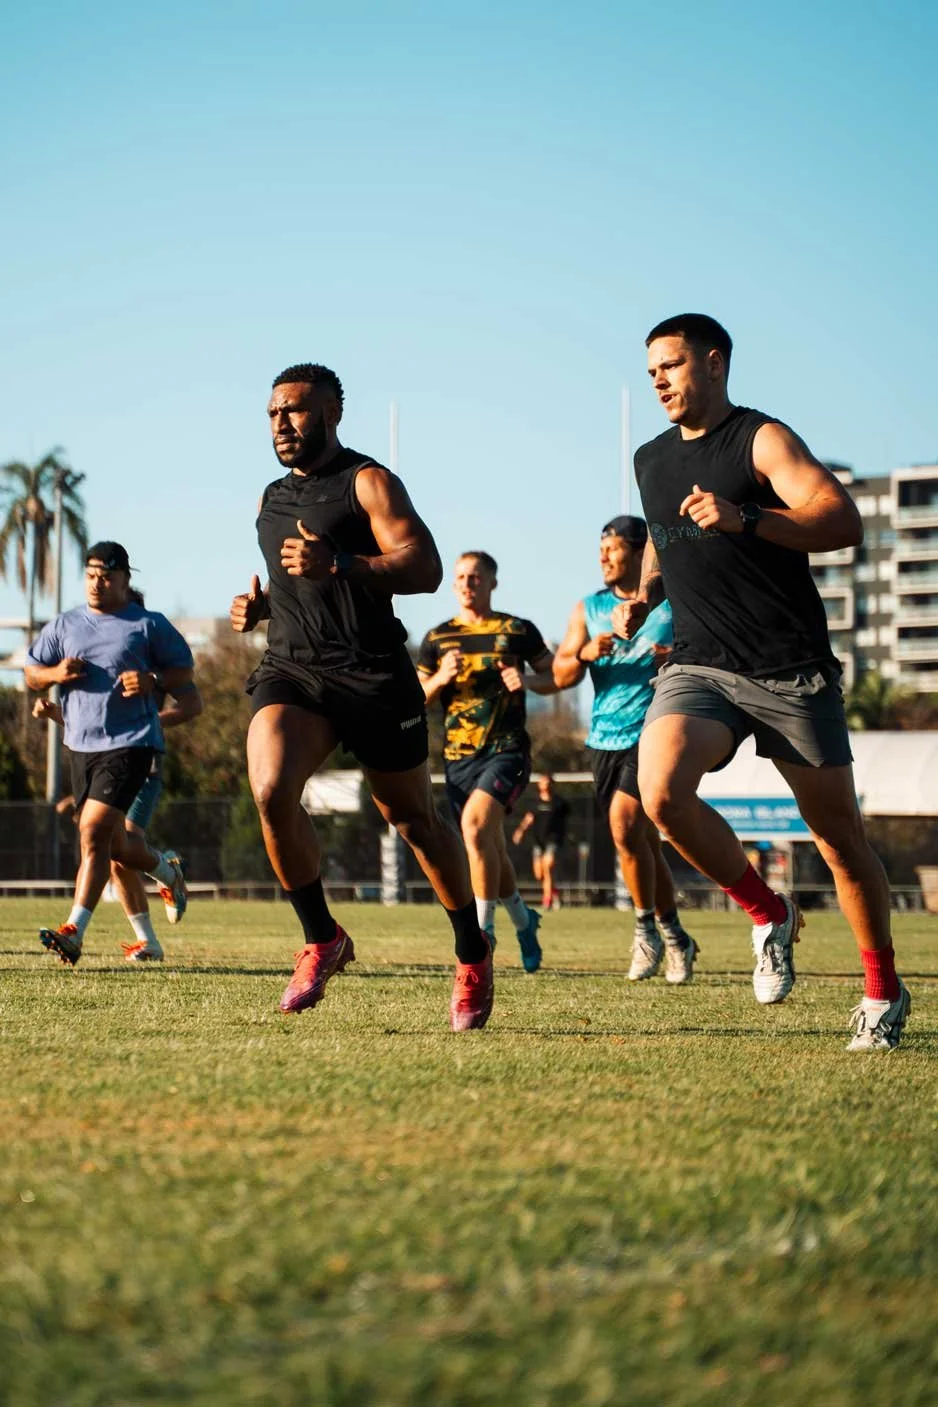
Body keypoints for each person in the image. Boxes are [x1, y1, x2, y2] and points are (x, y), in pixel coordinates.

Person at [615, 312, 908, 1050]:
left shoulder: (762, 438)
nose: (658, 380)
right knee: (660, 792)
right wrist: (647, 594)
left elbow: (841, 520)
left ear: (715, 364)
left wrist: (747, 518)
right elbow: (660, 535)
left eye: (672, 365)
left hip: (789, 666)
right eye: (651, 369)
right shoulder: (650, 458)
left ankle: (882, 992)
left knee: (838, 839)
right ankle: (766, 909)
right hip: (699, 661)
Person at [230, 363, 492, 1031]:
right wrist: (263, 607)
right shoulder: (269, 497)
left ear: (330, 414)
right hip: (294, 671)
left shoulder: (368, 481)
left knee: (413, 822)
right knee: (269, 790)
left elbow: (425, 566)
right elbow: (295, 581)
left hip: (374, 674)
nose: (280, 424)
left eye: (293, 411)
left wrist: (341, 563)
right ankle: (322, 938)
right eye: (271, 414)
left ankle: (471, 950)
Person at [24, 543, 192, 965]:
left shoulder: (147, 624)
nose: (97, 583)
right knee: (115, 847)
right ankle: (165, 870)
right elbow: (31, 673)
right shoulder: (65, 625)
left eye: (106, 576)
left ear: (124, 580)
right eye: (91, 575)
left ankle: (74, 930)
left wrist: (152, 679)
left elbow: (183, 672)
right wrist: (53, 675)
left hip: (133, 743)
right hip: (81, 746)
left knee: (93, 832)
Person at [553, 515, 698, 982]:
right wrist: (583, 654)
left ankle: (644, 934)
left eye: (612, 549)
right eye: (600, 550)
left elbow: (707, 650)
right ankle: (674, 933)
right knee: (638, 842)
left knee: (625, 823)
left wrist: (673, 654)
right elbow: (560, 675)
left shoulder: (672, 601)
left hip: (655, 728)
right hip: (603, 737)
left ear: (641, 553)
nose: (603, 558)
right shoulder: (589, 607)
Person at [417, 552, 555, 970]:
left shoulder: (517, 630)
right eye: (460, 577)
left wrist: (527, 680)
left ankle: (483, 933)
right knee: (488, 844)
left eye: (475, 576)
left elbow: (557, 676)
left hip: (507, 750)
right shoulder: (438, 638)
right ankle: (524, 920)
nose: (466, 583)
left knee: (476, 830)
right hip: (458, 757)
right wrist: (441, 677)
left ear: (492, 583)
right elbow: (417, 696)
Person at [511, 773, 569, 911]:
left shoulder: (559, 803)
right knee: (539, 874)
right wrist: (520, 831)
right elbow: (528, 819)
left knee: (548, 866)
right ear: (539, 785)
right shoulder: (535, 803)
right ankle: (553, 891)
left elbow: (565, 822)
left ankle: (547, 900)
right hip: (538, 841)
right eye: (543, 782)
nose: (546, 785)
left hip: (553, 840)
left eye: (548, 782)